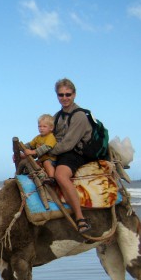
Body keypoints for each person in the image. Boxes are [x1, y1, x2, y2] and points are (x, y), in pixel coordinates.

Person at [48, 78, 93, 233]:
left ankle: (80, 218)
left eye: (68, 94)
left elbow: (68, 144)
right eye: (61, 95)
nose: (64, 98)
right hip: (59, 151)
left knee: (60, 176)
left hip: (75, 153)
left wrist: (44, 152)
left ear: (74, 94)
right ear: (57, 96)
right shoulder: (57, 116)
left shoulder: (79, 116)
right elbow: (48, 138)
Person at [22, 114, 57, 179]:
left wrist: (33, 152)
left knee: (47, 163)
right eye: (39, 126)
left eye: (44, 126)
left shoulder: (51, 137)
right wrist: (23, 147)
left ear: (51, 128)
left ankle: (52, 178)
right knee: (31, 165)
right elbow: (30, 144)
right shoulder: (38, 137)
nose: (41, 128)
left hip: (51, 159)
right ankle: (33, 177)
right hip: (41, 159)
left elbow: (46, 147)